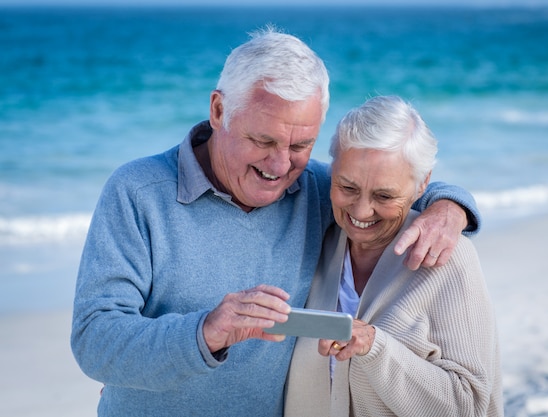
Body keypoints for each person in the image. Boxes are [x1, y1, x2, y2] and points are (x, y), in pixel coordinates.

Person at [71, 28, 482, 416]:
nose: (281, 165)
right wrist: (207, 332)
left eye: (301, 145)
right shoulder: (137, 191)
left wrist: (449, 206)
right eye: (263, 141)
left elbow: (383, 186)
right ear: (218, 110)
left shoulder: (317, 187)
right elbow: (95, 339)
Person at [284, 96, 502, 417]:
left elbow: (469, 405)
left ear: (422, 183)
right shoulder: (322, 236)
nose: (360, 211)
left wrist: (375, 347)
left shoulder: (450, 257)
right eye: (347, 187)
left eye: (384, 196)